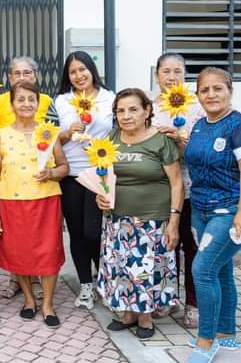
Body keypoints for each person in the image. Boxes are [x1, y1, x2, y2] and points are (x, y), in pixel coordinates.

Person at [184, 67, 241, 362]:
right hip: (200, 210)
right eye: (205, 90)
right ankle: (226, 335)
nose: (211, 94)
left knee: (202, 270)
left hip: (229, 211)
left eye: (218, 88)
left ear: (230, 90)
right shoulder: (199, 126)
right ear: (198, 95)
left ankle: (206, 341)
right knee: (221, 271)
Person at [97, 88, 183, 340]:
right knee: (121, 269)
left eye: (133, 109)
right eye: (120, 111)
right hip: (117, 219)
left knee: (145, 271)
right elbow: (104, 176)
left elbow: (177, 183)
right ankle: (128, 314)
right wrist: (100, 196)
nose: (126, 116)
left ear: (147, 111)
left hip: (152, 221)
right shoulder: (111, 138)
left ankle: (145, 317)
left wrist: (173, 222)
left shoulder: (161, 140)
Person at [0, 81, 68, 328]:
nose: (26, 104)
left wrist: (51, 173)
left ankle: (48, 305)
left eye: (31, 99)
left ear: (38, 103)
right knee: (18, 252)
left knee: (49, 252)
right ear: (12, 104)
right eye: (20, 99)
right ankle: (29, 300)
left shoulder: (48, 132)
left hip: (46, 201)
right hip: (12, 203)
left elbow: (64, 167)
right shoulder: (1, 135)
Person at [0, 56, 54, 298]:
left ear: (36, 76)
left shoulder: (46, 101)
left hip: (39, 178)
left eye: (27, 73)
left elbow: (56, 135)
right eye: (17, 73)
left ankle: (35, 280)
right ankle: (16, 279)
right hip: (10, 173)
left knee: (37, 238)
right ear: (9, 77)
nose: (22, 77)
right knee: (15, 239)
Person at [54, 51, 115, 309]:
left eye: (82, 69)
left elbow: (117, 131)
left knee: (95, 232)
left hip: (99, 172)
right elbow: (52, 138)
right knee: (77, 232)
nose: (79, 75)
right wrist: (68, 132)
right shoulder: (62, 100)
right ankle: (86, 286)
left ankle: (104, 279)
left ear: (92, 70)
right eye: (73, 72)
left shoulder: (109, 98)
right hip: (71, 174)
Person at [151, 52, 205, 328]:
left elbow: (202, 152)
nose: (172, 78)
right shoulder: (149, 108)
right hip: (160, 190)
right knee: (165, 246)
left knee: (191, 246)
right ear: (157, 75)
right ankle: (167, 297)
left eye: (177, 72)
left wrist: (181, 142)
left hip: (191, 189)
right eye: (166, 72)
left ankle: (193, 303)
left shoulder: (197, 108)